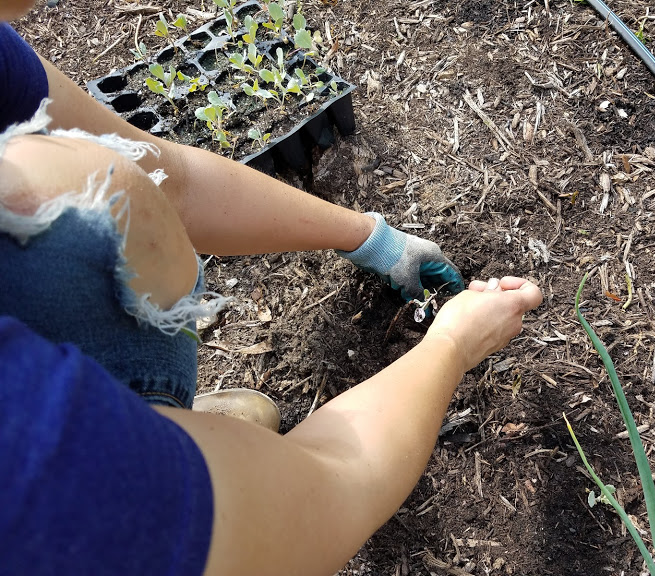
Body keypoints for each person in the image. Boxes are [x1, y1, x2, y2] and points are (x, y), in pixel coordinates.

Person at [0, 1, 543, 574]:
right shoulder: (29, 454)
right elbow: (330, 492)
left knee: (99, 185)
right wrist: (453, 344)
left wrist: (374, 241)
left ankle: (162, 428)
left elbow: (172, 180)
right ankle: (161, 445)